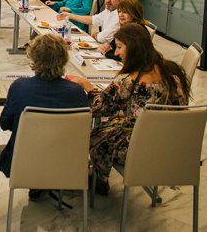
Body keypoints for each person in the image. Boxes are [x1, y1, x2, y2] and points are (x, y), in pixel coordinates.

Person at [69, 23, 190, 196]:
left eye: (119, 47)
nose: (116, 52)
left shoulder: (129, 81)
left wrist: (85, 85)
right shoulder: (173, 73)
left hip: (140, 148)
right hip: (172, 146)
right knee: (115, 124)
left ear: (133, 48)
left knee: (96, 134)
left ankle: (98, 180)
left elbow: (98, 107)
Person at [0, 34, 89, 199]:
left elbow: (5, 124)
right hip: (66, 163)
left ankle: (37, 183)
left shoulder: (19, 87)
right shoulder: (76, 92)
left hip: (24, 161)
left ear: (33, 58)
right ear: (64, 59)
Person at [58, 0, 126, 44]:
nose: (108, 0)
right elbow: (92, 19)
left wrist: (95, 35)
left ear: (122, 0)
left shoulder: (120, 16)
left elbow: (102, 38)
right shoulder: (109, 10)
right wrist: (69, 15)